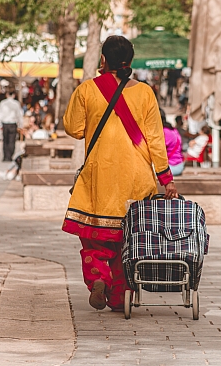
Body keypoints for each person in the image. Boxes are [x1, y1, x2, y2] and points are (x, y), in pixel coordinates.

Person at [62, 35, 178, 312]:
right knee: (129, 240)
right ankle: (119, 297)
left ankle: (98, 278)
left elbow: (74, 129)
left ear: (103, 60)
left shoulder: (87, 90)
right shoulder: (145, 93)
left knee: (94, 239)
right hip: (136, 181)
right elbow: (155, 140)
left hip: (98, 179)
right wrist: (166, 178)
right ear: (130, 60)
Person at [0, 91, 23, 161]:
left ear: (7, 95)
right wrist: (21, 125)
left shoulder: (3, 103)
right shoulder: (16, 103)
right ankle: (9, 156)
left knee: (5, 140)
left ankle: (6, 156)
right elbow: (19, 115)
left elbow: (0, 114)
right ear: (14, 95)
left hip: (5, 123)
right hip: (12, 123)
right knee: (12, 140)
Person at [160, 109, 184, 176]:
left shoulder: (165, 132)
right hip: (178, 164)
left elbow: (157, 151)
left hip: (172, 166)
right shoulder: (173, 130)